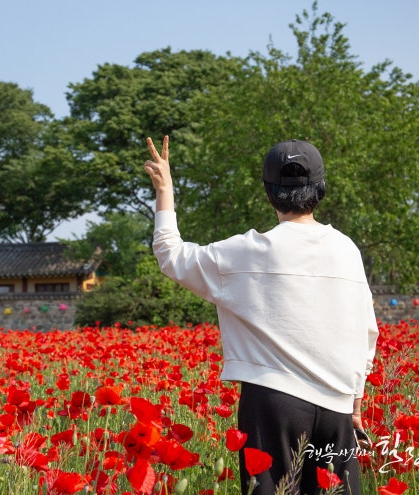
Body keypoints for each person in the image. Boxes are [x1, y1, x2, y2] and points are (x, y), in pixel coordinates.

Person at [144, 136, 379, 495]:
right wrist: (355, 405)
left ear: (269, 193)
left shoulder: (248, 251)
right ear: (321, 189)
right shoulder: (347, 250)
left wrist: (165, 189)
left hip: (274, 402)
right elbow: (366, 332)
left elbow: (170, 255)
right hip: (338, 407)